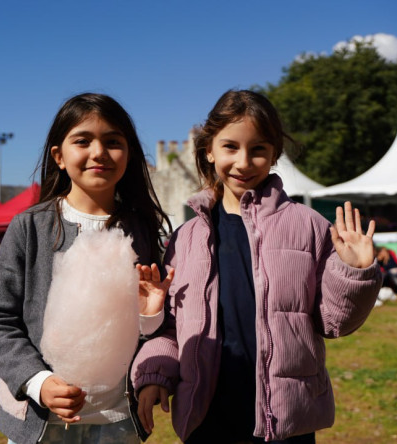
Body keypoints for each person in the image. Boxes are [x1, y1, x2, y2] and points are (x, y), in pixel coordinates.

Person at [131, 90, 382, 443]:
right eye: (230, 147)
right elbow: (173, 327)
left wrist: (355, 274)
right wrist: (156, 374)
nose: (244, 162)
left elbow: (334, 323)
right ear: (209, 150)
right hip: (207, 419)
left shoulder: (307, 225)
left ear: (274, 154)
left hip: (285, 422)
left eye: (258, 149)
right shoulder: (185, 238)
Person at [0, 93, 173, 444]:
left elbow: (153, 329)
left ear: (129, 154)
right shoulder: (30, 228)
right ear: (59, 157)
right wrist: (37, 381)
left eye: (113, 142)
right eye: (83, 141)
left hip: (116, 420)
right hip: (40, 420)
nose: (99, 152)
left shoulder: (141, 232)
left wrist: (150, 317)